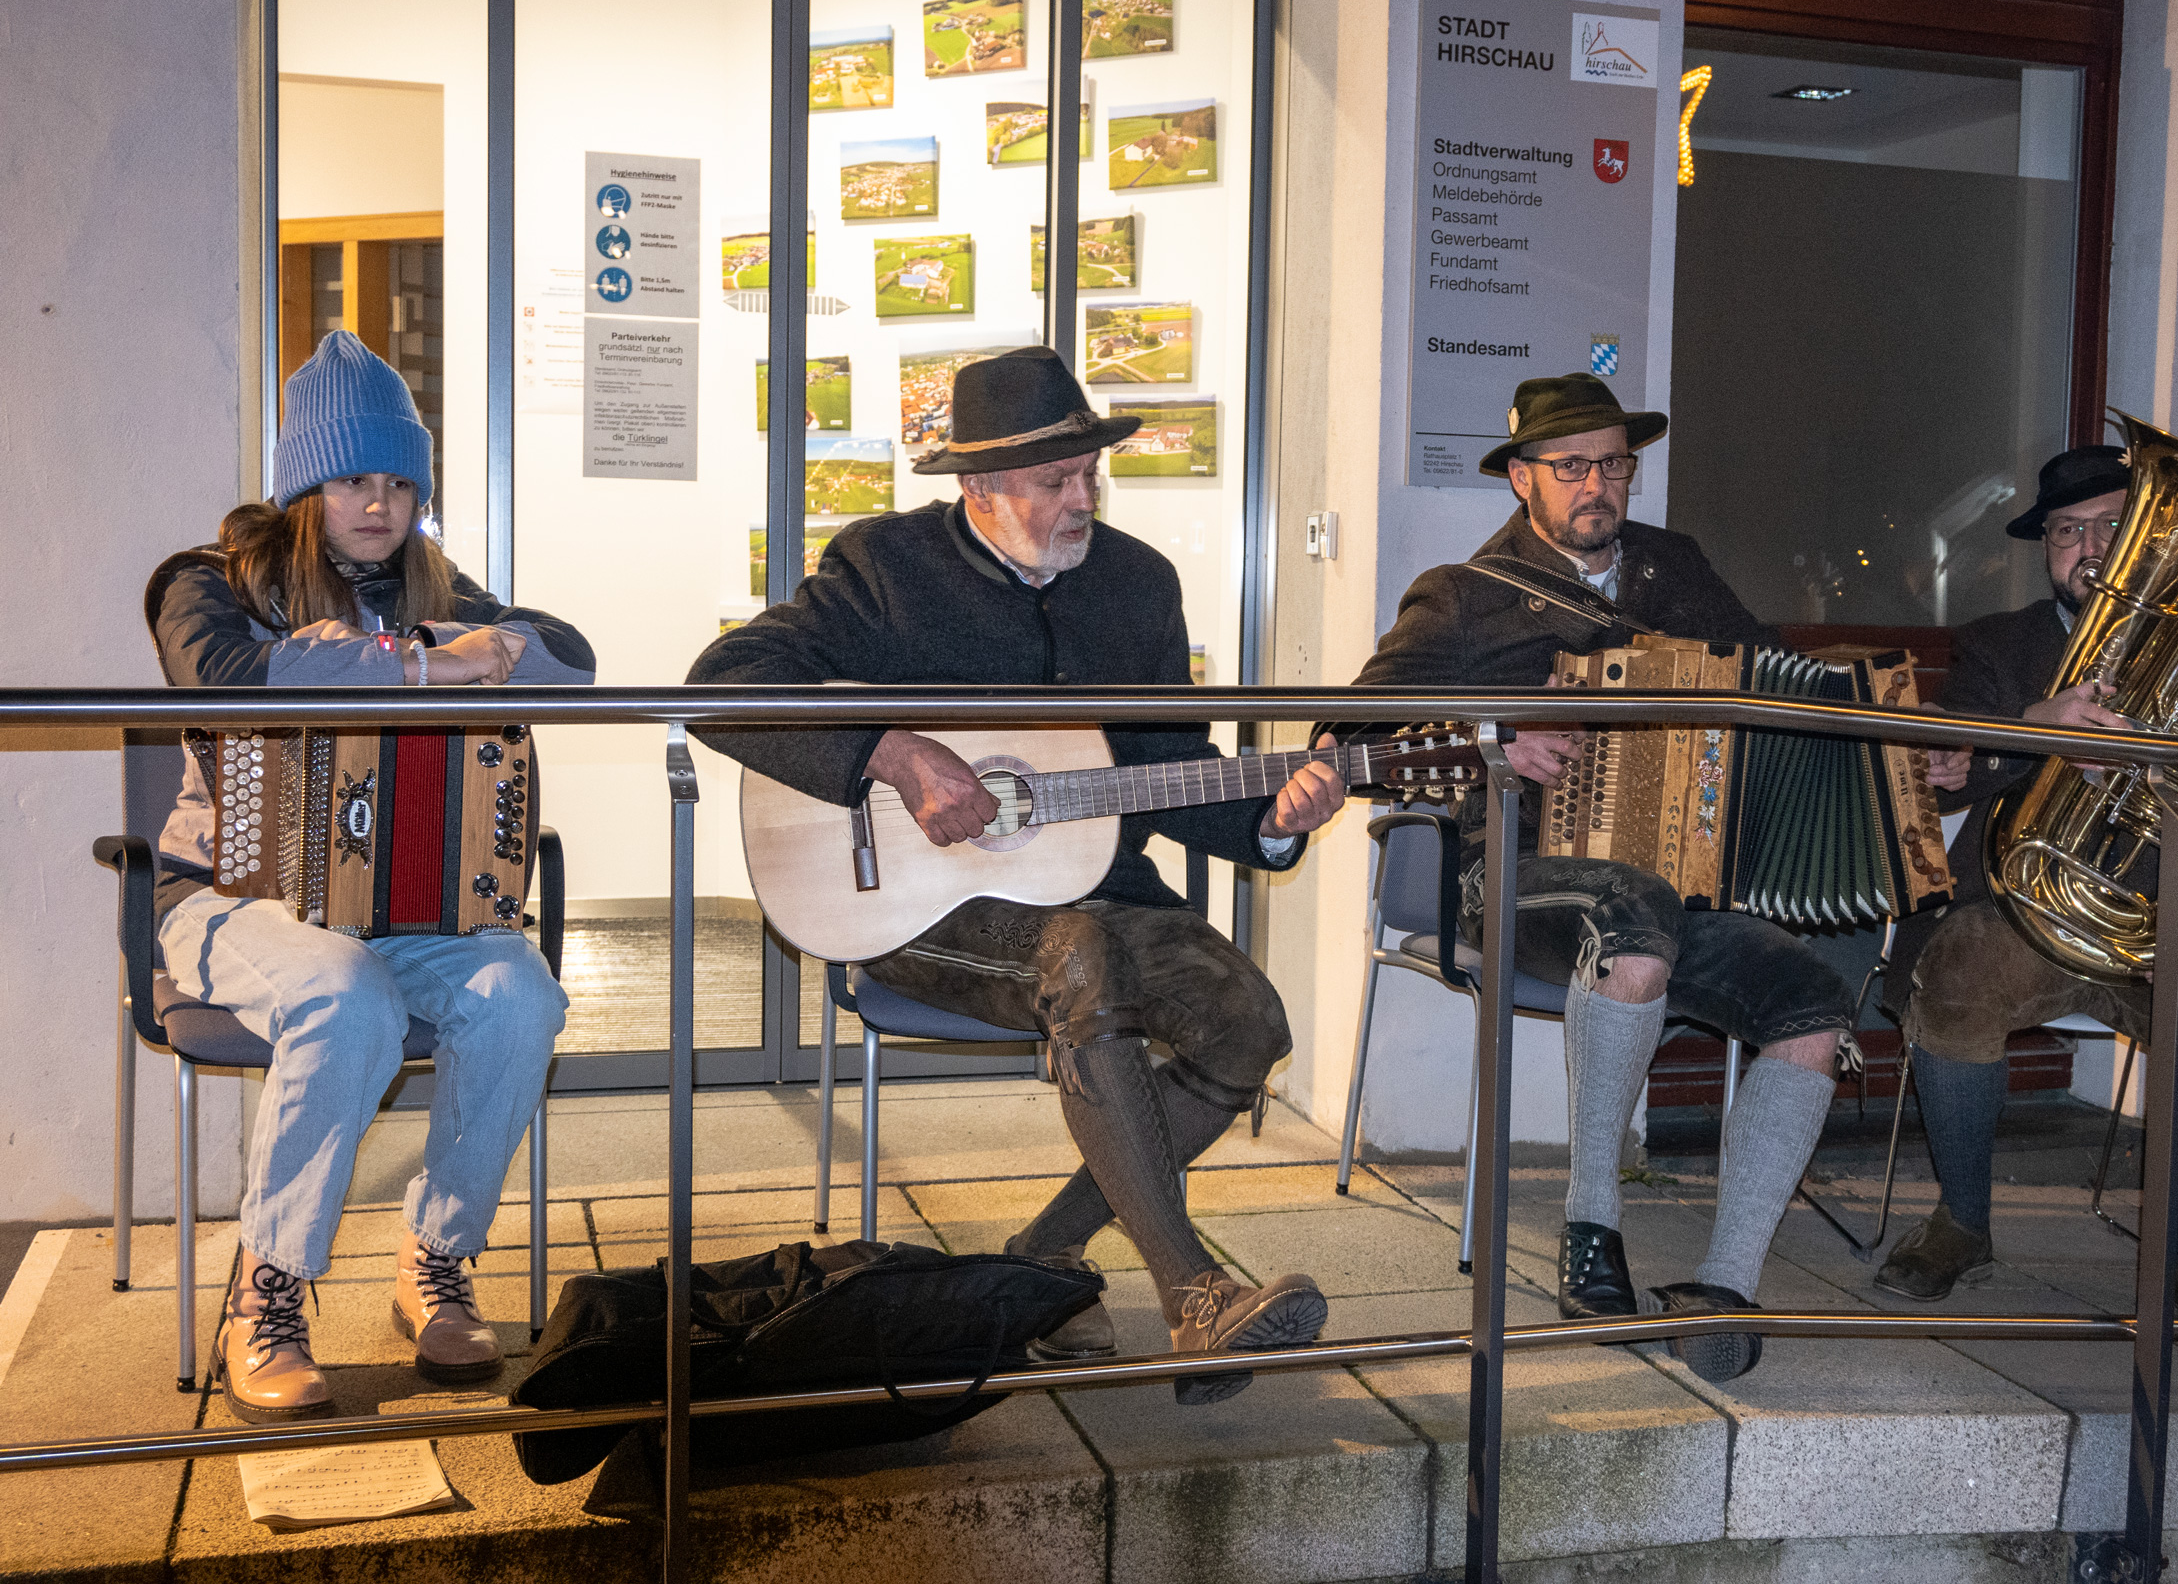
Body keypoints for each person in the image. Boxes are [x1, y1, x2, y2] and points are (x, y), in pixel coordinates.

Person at [686, 347, 1346, 1406]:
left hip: (1097, 884)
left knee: (1247, 1018)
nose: (1082, 497)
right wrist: (893, 756)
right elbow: (723, 687)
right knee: (1077, 958)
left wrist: (1274, 818)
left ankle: (1043, 1255)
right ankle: (1192, 1290)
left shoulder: (1139, 585)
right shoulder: (884, 567)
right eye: (1053, 482)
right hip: (914, 904)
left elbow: (1163, 770)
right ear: (978, 488)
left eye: (1089, 472)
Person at [1349, 374, 1963, 1383]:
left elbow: (1776, 686)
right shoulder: (1459, 594)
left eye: (1615, 463)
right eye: (1572, 465)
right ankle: (1592, 1220)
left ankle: (1724, 1281)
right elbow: (1357, 725)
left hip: (1671, 887)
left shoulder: (1674, 566)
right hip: (1507, 871)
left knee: (1811, 1002)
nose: (1598, 484)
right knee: (1629, 917)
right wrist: (1491, 736)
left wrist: (1905, 756)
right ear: (1520, 477)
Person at [148, 331, 595, 1424]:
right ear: (308, 479)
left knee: (520, 992)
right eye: (356, 477)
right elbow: (230, 676)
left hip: (406, 909)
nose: (381, 503)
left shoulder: (430, 583)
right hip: (227, 898)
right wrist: (418, 664)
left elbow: (573, 659)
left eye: (401, 481)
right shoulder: (207, 582)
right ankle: (267, 1295)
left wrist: (457, 636)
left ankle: (434, 1259)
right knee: (341, 995)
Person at [1873, 445, 2178, 1346]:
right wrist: (2033, 728)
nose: (2087, 547)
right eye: (2067, 531)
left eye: (2113, 527)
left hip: (2175, 924)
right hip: (2023, 912)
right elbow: (1941, 779)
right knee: (1954, 984)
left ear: (2155, 541)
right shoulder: (2001, 646)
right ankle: (1962, 1221)